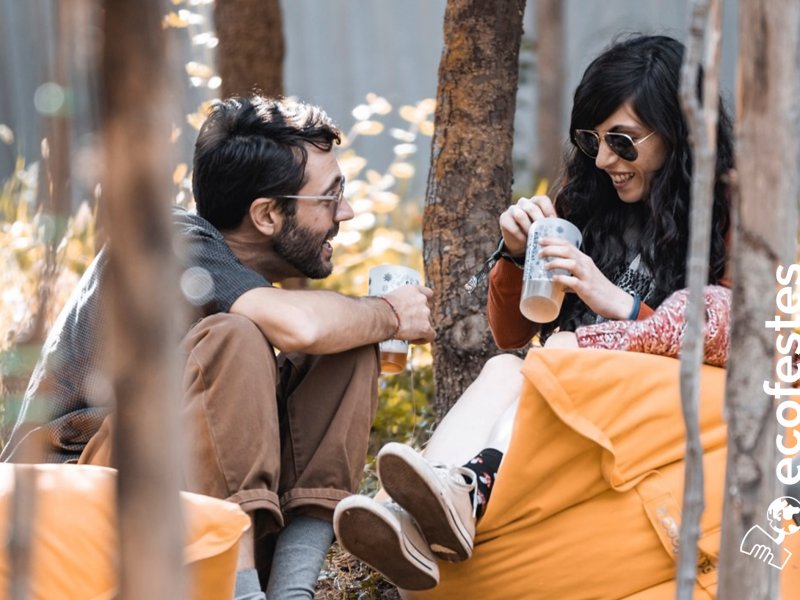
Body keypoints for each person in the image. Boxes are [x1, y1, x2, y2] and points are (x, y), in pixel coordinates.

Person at [333, 34, 735, 592]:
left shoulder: (728, 215)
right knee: (507, 367)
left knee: (560, 352)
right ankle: (420, 515)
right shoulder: (586, 193)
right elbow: (510, 333)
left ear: (679, 130)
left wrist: (609, 298)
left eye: (622, 141)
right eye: (590, 139)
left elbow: (726, 337)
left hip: (655, 404)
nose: (602, 159)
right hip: (564, 386)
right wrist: (516, 258)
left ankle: (460, 492)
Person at [1, 96, 436, 600]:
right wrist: (390, 312)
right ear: (268, 215)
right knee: (237, 335)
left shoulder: (237, 281)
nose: (348, 211)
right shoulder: (167, 238)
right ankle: (243, 592)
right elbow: (297, 326)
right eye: (330, 196)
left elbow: (314, 333)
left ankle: (293, 591)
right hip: (79, 507)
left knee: (348, 344)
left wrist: (372, 323)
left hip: (179, 508)